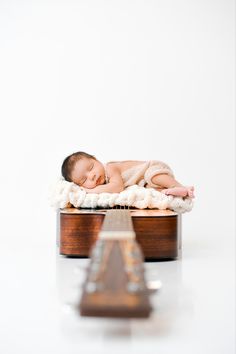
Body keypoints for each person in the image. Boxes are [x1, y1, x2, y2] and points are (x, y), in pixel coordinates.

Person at [61, 151, 195, 198]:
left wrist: (88, 190)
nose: (92, 176)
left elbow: (117, 188)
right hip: (144, 183)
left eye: (91, 167)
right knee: (151, 190)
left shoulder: (110, 168)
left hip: (152, 168)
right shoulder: (105, 183)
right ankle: (169, 191)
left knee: (152, 176)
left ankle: (180, 186)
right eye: (84, 180)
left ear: (96, 160)